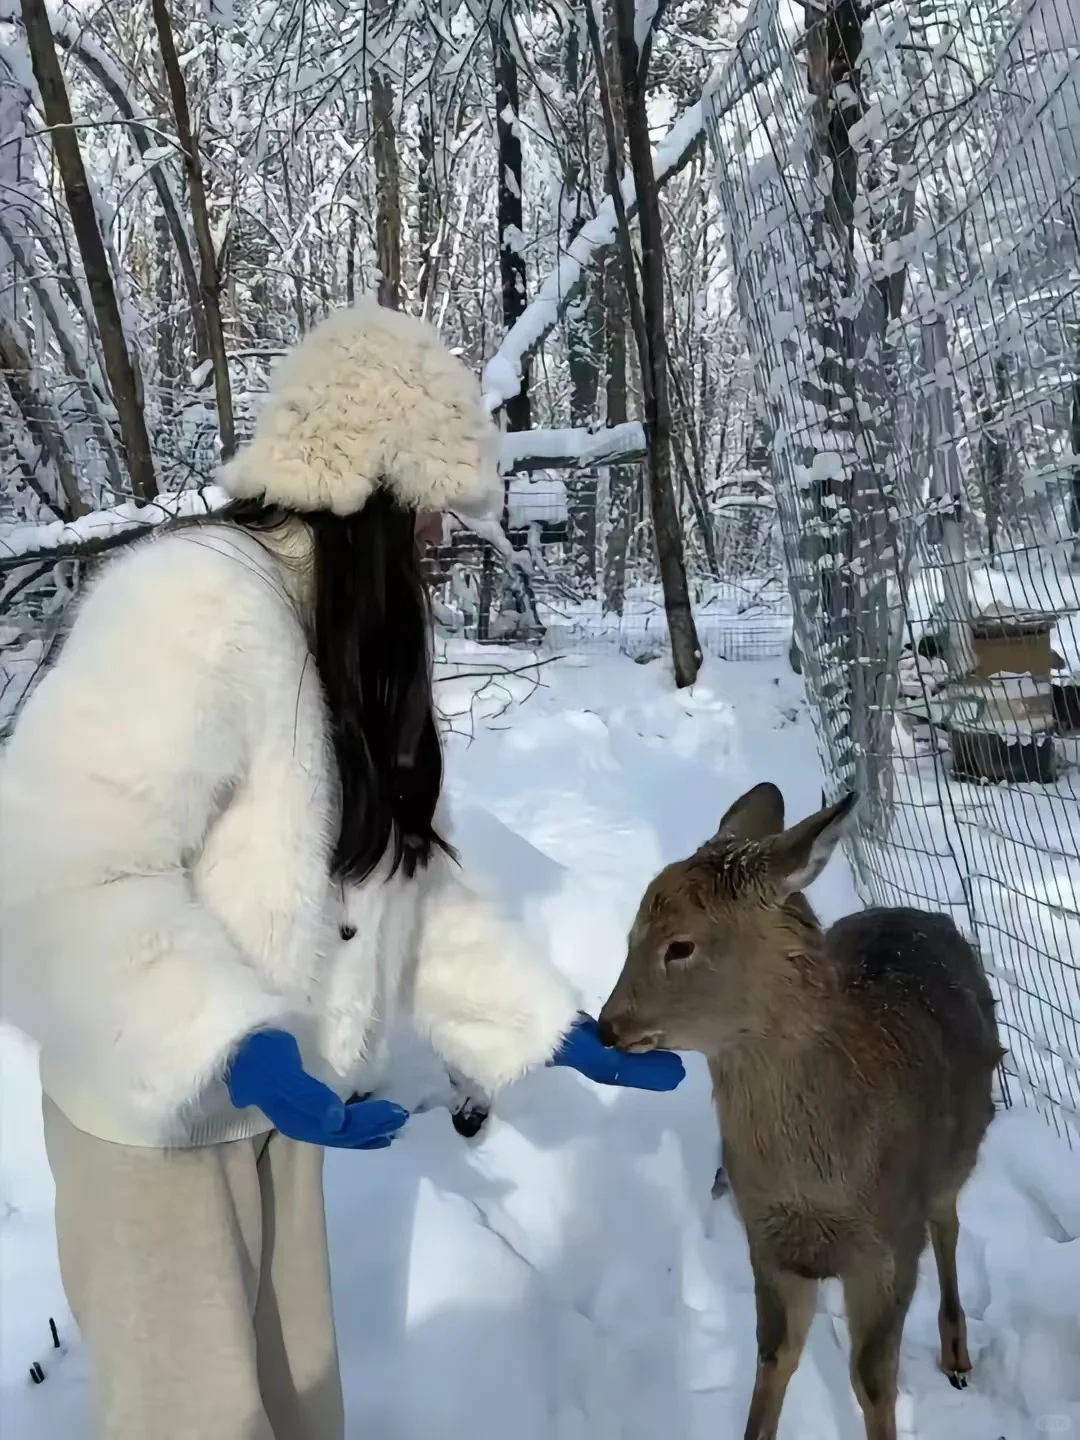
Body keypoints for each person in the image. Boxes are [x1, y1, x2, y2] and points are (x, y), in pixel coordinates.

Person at [0, 299, 684, 1440]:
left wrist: (534, 1025)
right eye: (430, 511)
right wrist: (229, 1037)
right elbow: (55, 870)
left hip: (274, 1114)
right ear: (368, 491)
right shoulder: (197, 607)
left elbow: (404, 879)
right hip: (154, 1125)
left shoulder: (343, 640)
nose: (444, 540)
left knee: (297, 1410)